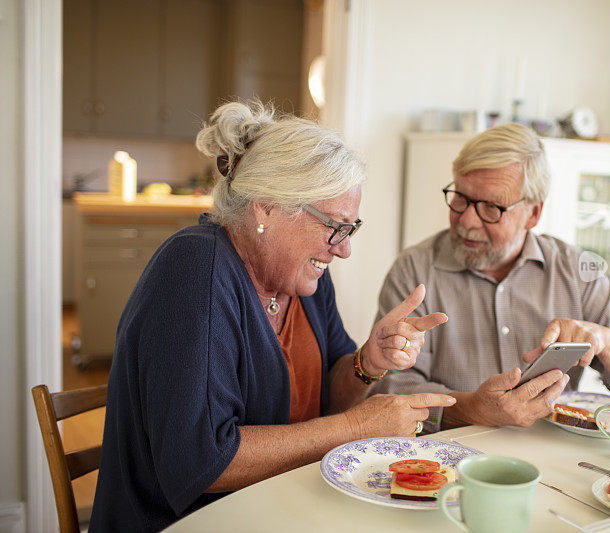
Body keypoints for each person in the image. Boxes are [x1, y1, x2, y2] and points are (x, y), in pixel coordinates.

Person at [89, 100, 454, 532]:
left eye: (351, 229)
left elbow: (326, 400)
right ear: (267, 208)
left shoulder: (304, 279)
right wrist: (355, 427)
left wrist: (367, 363)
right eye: (335, 225)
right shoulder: (196, 268)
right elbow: (202, 461)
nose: (344, 248)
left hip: (278, 511)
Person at [370, 123, 610, 434]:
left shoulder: (577, 271)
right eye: (460, 198)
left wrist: (604, 339)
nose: (467, 220)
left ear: (533, 214)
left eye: (491, 207)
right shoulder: (414, 270)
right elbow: (389, 391)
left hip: (556, 454)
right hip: (451, 458)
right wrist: (471, 409)